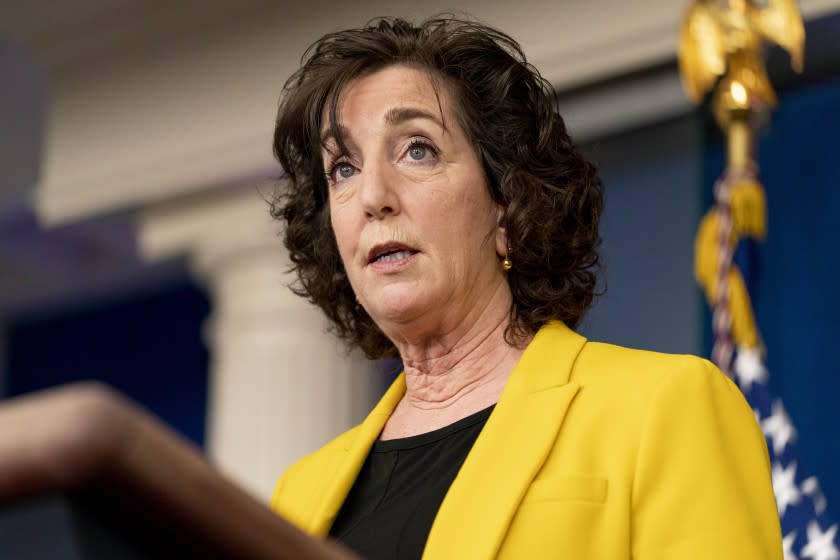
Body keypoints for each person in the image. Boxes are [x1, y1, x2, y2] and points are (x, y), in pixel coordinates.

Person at [268, 16, 782, 559]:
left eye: (417, 149)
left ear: (507, 202)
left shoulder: (665, 407)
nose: (373, 195)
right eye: (343, 167)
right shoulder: (297, 496)